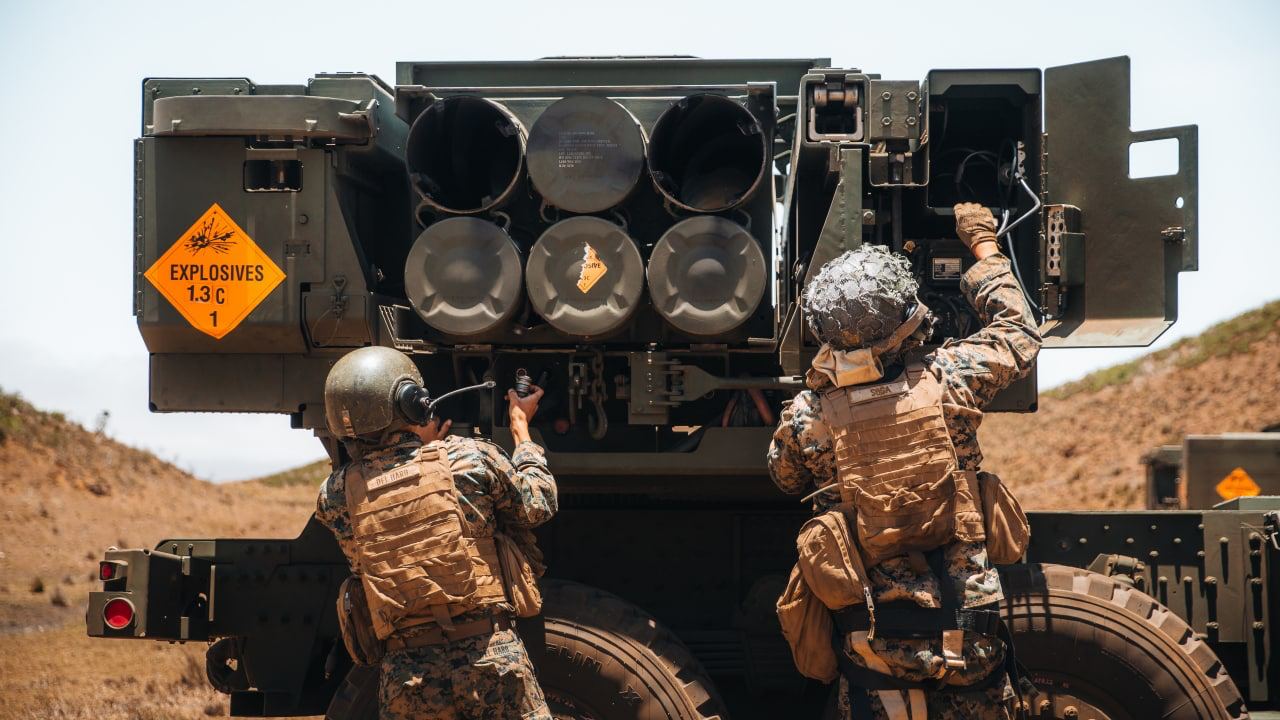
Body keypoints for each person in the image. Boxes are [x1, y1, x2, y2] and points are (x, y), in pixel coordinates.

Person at [769, 204, 1041, 719]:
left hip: (877, 657)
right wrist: (982, 242)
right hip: (971, 646)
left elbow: (785, 477)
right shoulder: (951, 378)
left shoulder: (810, 415)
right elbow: (1019, 332)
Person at [316, 346, 557, 720]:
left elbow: (393, 489)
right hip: (489, 657)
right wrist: (520, 428)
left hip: (406, 676)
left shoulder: (334, 495)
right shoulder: (468, 458)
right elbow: (539, 503)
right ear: (412, 402)